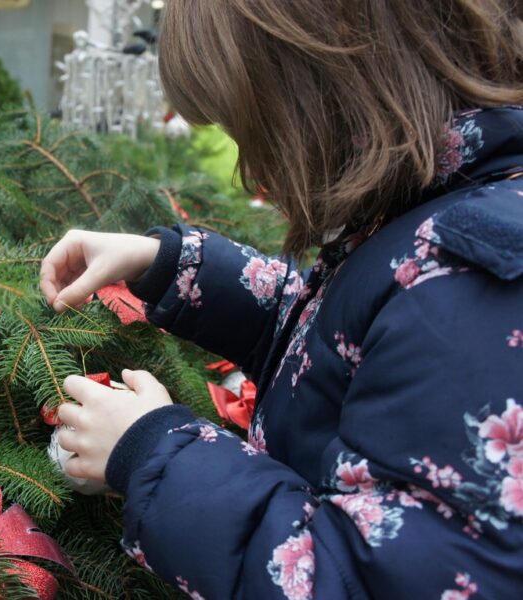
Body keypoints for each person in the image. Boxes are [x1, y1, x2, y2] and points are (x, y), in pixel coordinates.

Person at [40, 1, 523, 598]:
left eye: (253, 130)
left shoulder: (477, 281)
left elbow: (360, 582)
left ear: (326, 91)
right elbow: (333, 342)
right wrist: (169, 264)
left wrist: (155, 453)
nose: (250, 172)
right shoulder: (439, 211)